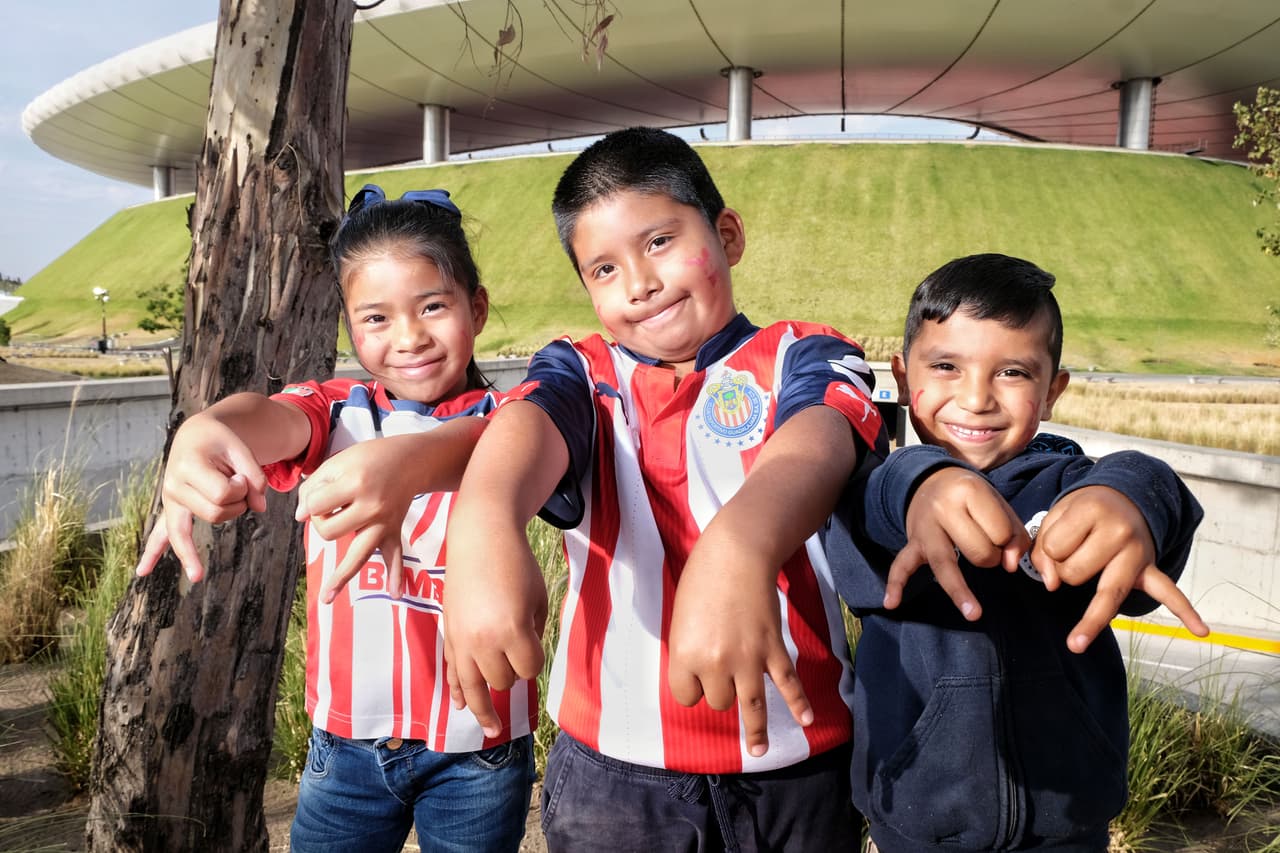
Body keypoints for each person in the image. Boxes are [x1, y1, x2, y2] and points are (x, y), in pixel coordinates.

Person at [442, 126, 889, 852]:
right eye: (604, 270)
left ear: (728, 235)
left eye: (658, 242)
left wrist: (737, 546)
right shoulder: (583, 371)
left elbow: (820, 441)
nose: (639, 285)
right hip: (615, 778)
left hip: (797, 766)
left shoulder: (804, 353)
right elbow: (527, 423)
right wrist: (484, 521)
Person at [135, 184, 536, 853]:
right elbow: (266, 418)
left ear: (479, 306)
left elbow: (525, 441)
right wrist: (204, 432)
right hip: (345, 749)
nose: (409, 336)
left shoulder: (519, 418)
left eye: (433, 306)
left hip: (481, 748)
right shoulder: (337, 410)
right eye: (375, 318)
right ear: (350, 328)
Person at [826, 253, 1209, 852]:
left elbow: (1142, 482)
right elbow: (868, 525)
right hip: (915, 824)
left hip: (1070, 823)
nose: (977, 398)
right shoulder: (875, 488)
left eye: (1013, 373)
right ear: (902, 379)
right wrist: (921, 487)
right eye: (946, 366)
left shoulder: (1071, 491)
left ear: (1053, 391)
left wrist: (1130, 496)